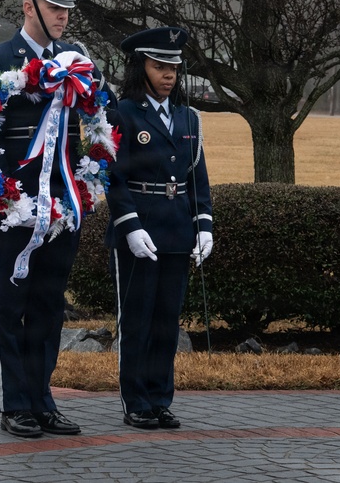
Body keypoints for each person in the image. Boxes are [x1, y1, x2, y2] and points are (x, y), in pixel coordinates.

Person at [0, 0, 114, 439]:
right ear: (28, 6)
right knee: (11, 303)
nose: (63, 16)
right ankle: (14, 403)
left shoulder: (75, 63)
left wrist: (86, 184)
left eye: (68, 8)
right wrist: (1, 193)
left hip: (63, 203)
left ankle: (42, 398)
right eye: (54, 6)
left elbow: (96, 122)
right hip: (15, 202)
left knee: (50, 305)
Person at [104, 26, 213, 430]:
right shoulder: (123, 113)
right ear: (140, 67)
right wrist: (129, 225)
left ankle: (159, 398)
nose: (168, 74)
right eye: (159, 66)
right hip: (140, 230)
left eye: (174, 67)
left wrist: (204, 226)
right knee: (138, 320)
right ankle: (136, 401)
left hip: (176, 229)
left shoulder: (189, 118)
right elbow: (111, 176)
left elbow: (196, 177)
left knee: (167, 320)